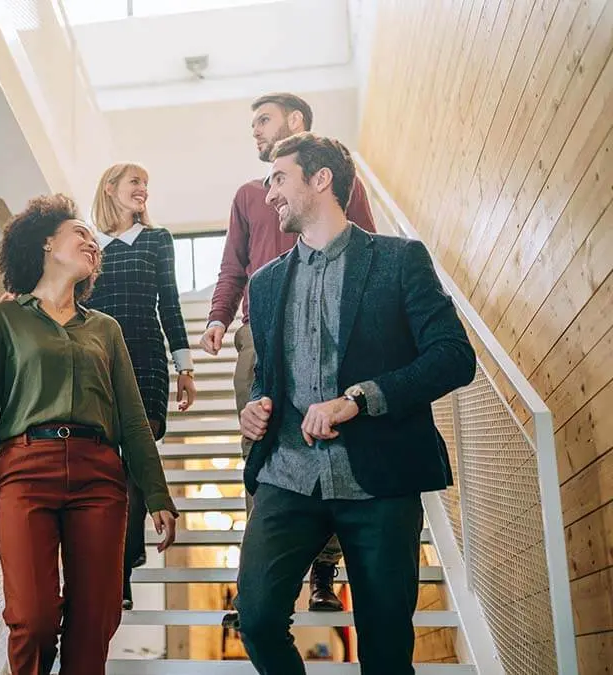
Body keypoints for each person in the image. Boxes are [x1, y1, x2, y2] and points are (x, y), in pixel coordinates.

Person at [234, 132, 475, 674]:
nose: (268, 193)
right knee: (256, 618)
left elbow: (454, 357)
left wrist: (359, 400)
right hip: (288, 474)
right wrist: (257, 406)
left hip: (381, 477)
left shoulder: (399, 259)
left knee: (386, 647)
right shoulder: (265, 283)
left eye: (279, 179)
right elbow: (269, 377)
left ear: (321, 180)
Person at [0, 194, 178, 675]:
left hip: (100, 476)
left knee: (94, 622)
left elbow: (134, 419)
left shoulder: (106, 329)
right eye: (81, 234)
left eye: (95, 240)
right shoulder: (4, 320)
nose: (92, 243)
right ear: (48, 242)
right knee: (32, 619)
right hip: (24, 471)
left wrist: (157, 494)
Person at [199, 92, 377, 612]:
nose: (254, 130)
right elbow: (233, 264)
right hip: (260, 335)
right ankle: (256, 578)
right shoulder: (248, 196)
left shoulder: (340, 183)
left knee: (330, 446)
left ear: (294, 122)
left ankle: (324, 573)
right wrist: (218, 315)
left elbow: (366, 247)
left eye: (264, 121)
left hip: (333, 333)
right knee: (260, 450)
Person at [85, 162, 196, 610]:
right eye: (135, 182)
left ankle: (121, 571)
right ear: (110, 188)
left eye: (147, 184)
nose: (143, 190)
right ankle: (109, 565)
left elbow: (169, 302)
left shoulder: (156, 240)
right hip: (98, 363)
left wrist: (184, 366)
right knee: (107, 469)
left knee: (133, 467)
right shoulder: (88, 245)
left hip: (147, 361)